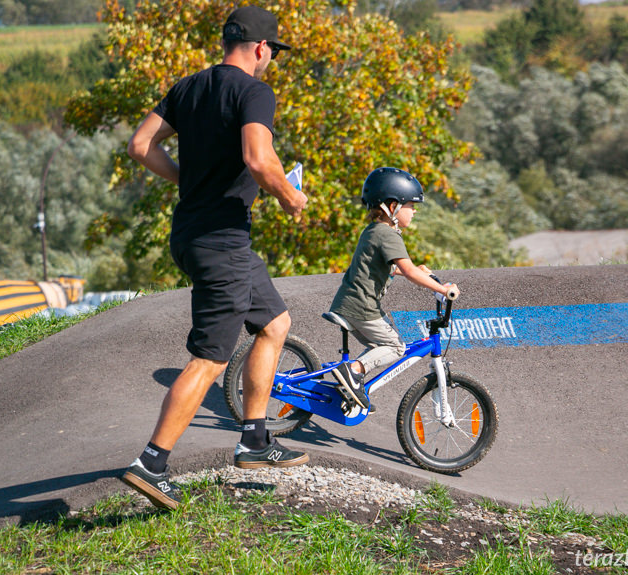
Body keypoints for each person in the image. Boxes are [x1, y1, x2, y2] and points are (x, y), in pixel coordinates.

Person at [122, 5, 309, 510]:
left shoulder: (187, 88)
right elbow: (257, 157)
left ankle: (254, 439)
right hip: (221, 240)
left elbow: (141, 144)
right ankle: (152, 463)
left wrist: (188, 179)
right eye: (272, 54)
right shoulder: (253, 91)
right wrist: (290, 197)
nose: (270, 61)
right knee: (210, 357)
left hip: (196, 234)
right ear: (261, 48)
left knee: (275, 323)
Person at [329, 167, 459, 411]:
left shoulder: (374, 231)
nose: (415, 210)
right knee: (395, 347)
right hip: (362, 307)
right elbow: (408, 271)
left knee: (380, 347)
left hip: (349, 303)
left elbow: (395, 268)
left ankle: (351, 383)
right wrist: (443, 290)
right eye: (410, 205)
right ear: (392, 206)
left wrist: (421, 270)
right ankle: (353, 371)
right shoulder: (388, 235)